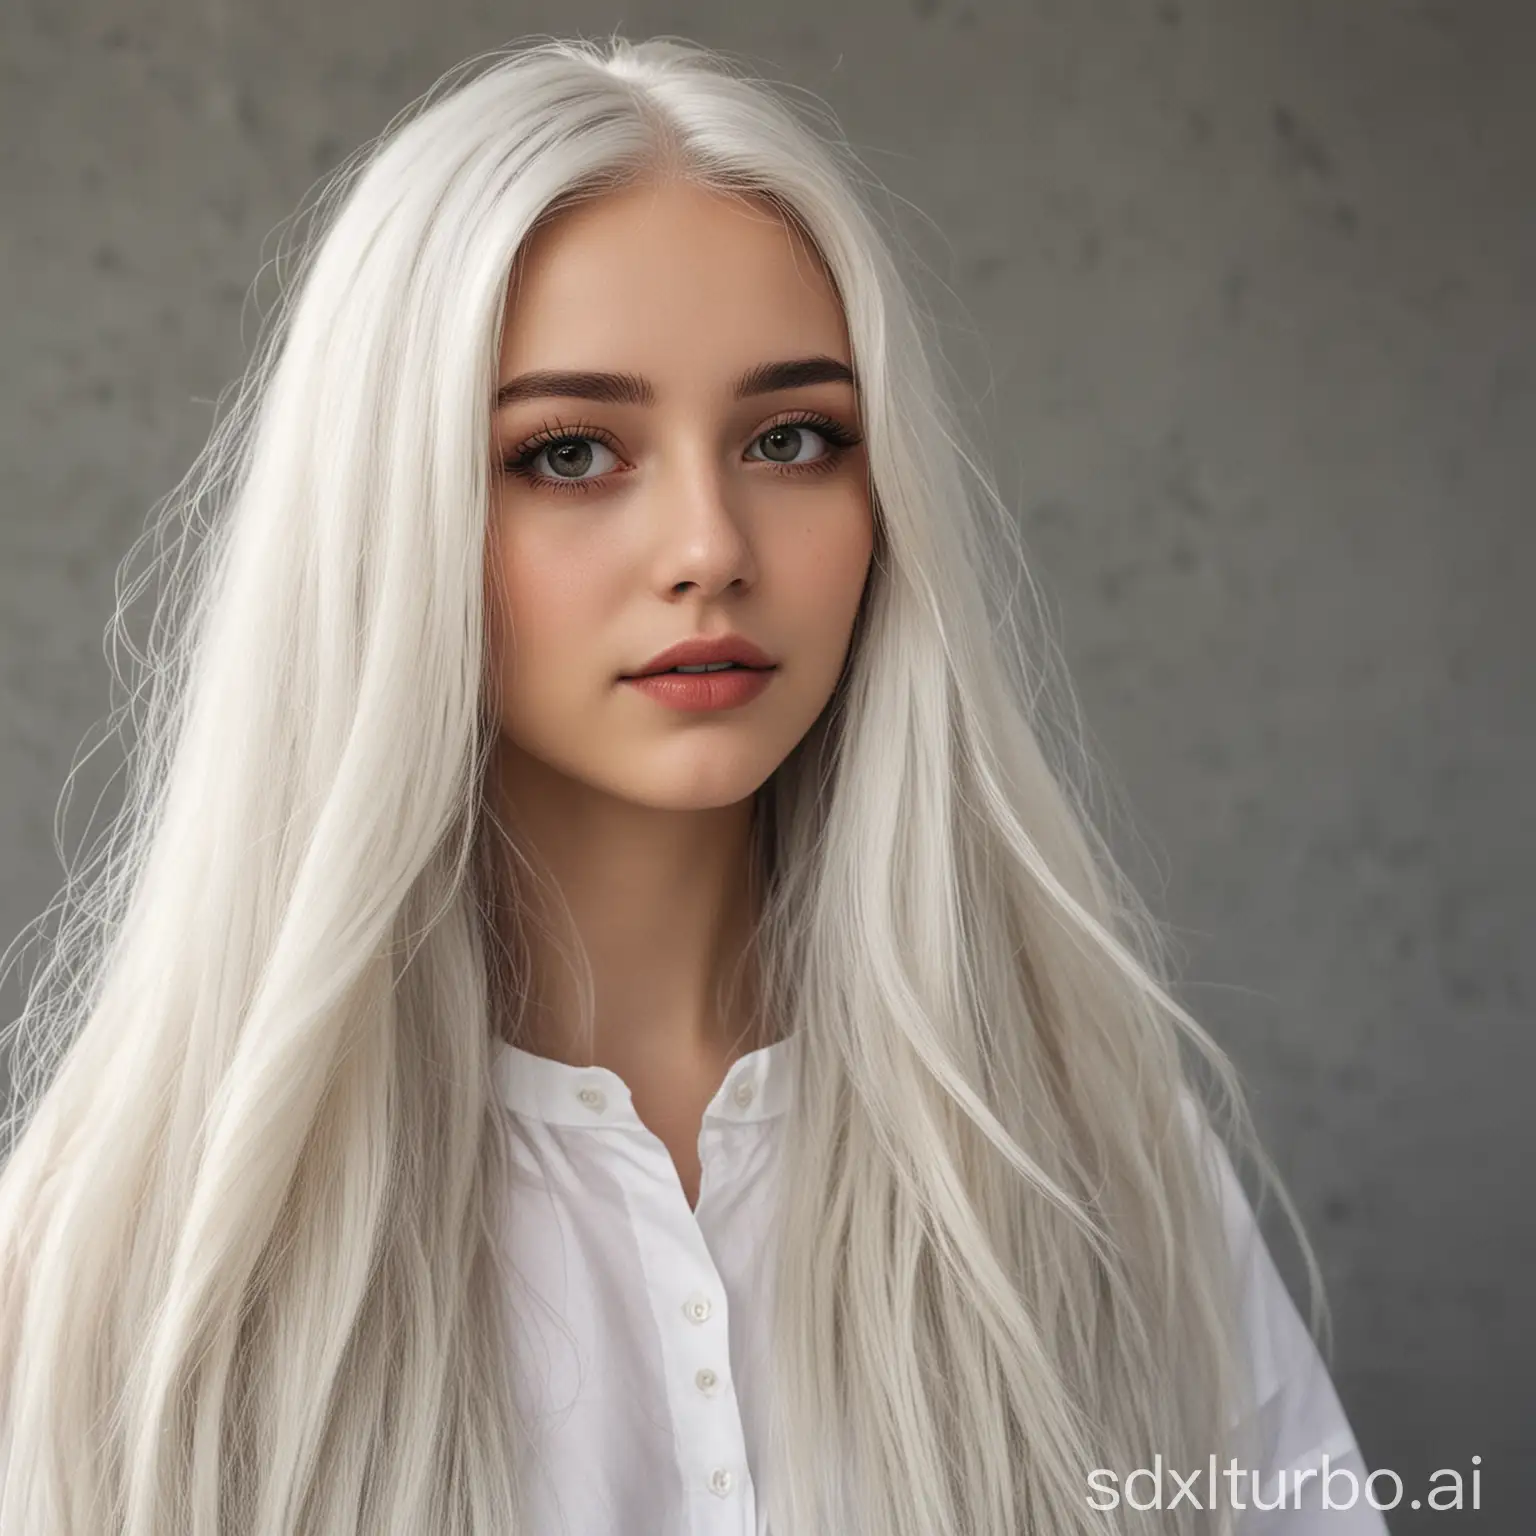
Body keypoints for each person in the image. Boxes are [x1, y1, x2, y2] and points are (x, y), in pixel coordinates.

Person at [0, 33, 1390, 1536]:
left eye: (792, 439)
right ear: (386, 514)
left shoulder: (1084, 1152)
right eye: (573, 451)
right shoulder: (124, 1253)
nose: (712, 545)